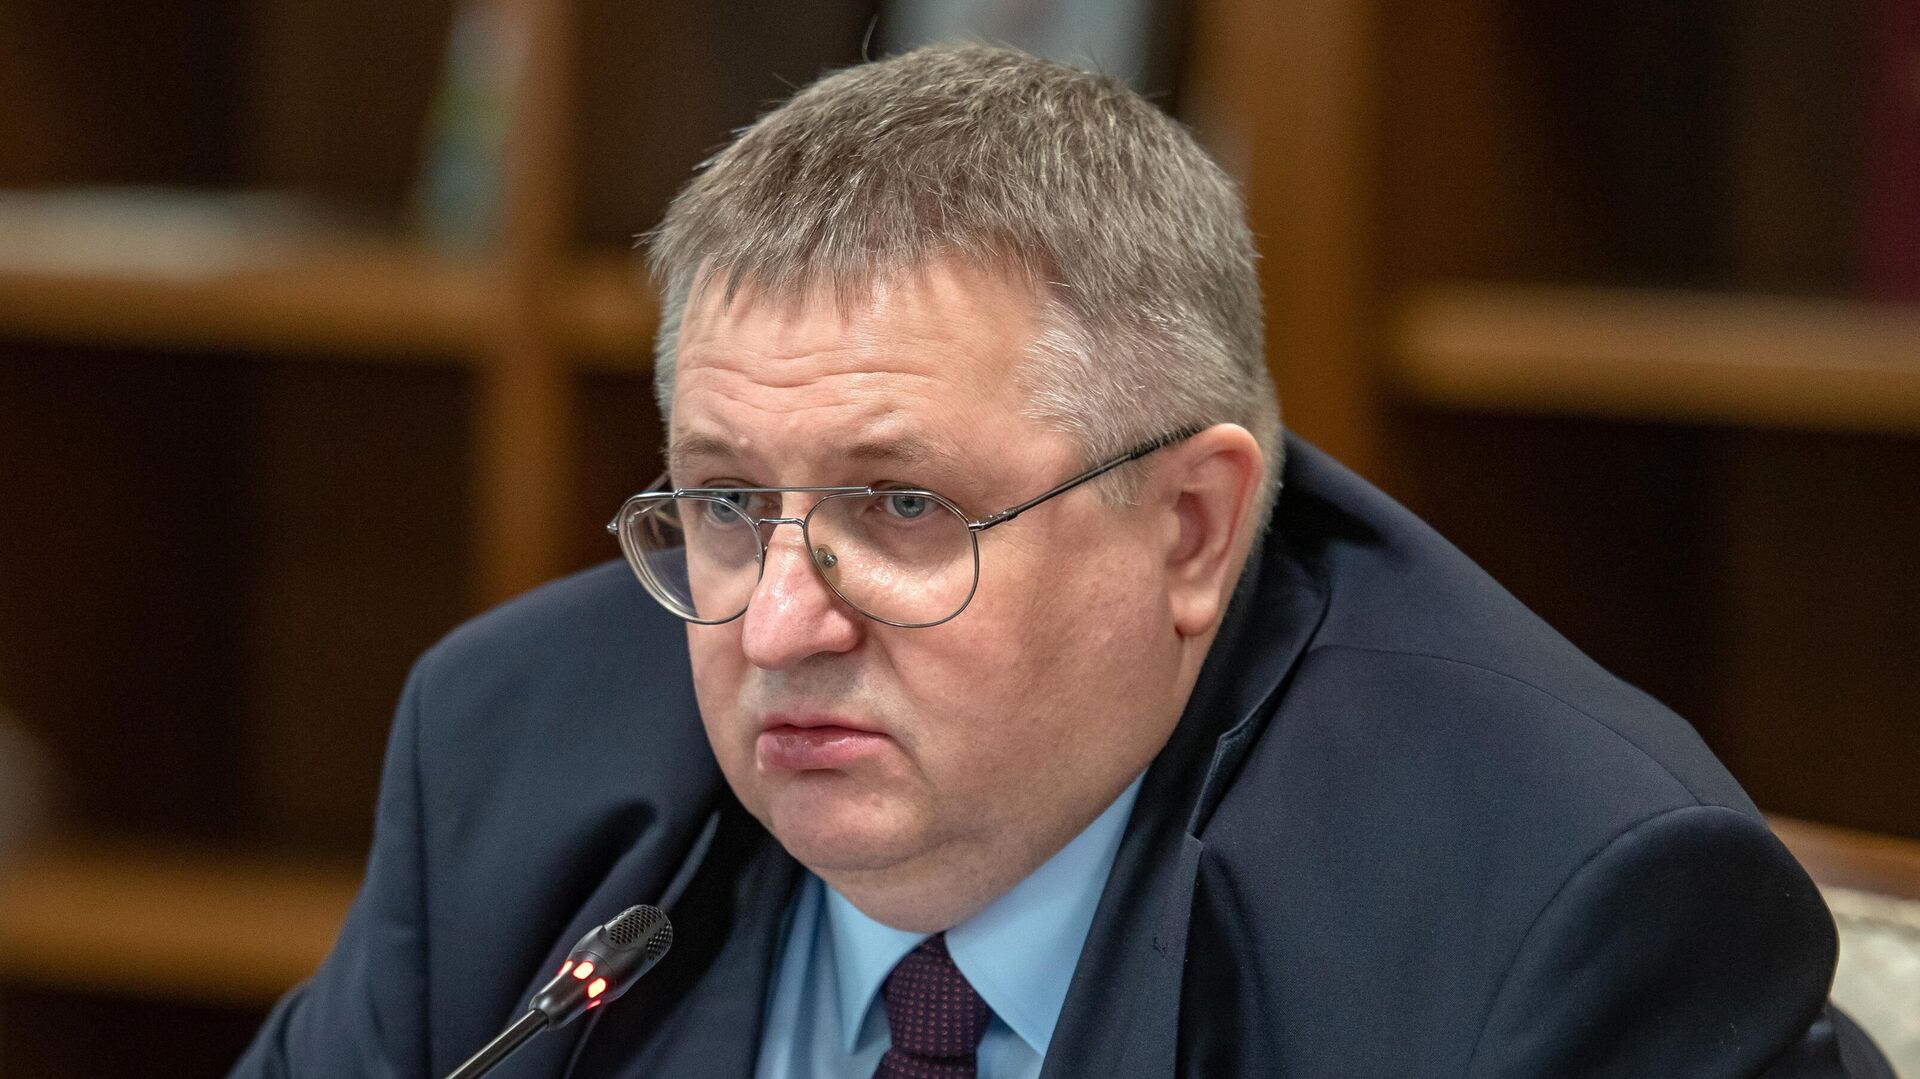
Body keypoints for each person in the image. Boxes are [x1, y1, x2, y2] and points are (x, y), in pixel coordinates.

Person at [231, 45, 1891, 1078]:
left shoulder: (1547, 910)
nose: (780, 623)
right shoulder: (513, 757)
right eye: (727, 504)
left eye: (901, 507)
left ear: (1191, 528)